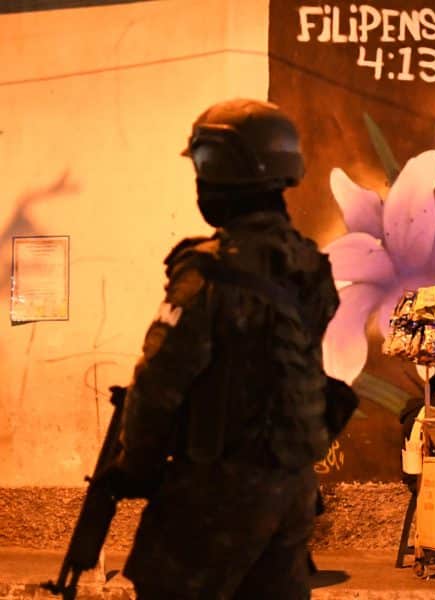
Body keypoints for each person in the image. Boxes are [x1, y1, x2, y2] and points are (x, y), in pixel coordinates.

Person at [106, 99, 343, 598]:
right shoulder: (309, 267)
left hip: (220, 489)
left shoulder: (209, 272)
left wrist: (136, 466)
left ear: (230, 176)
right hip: (294, 488)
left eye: (207, 168)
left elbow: (159, 381)